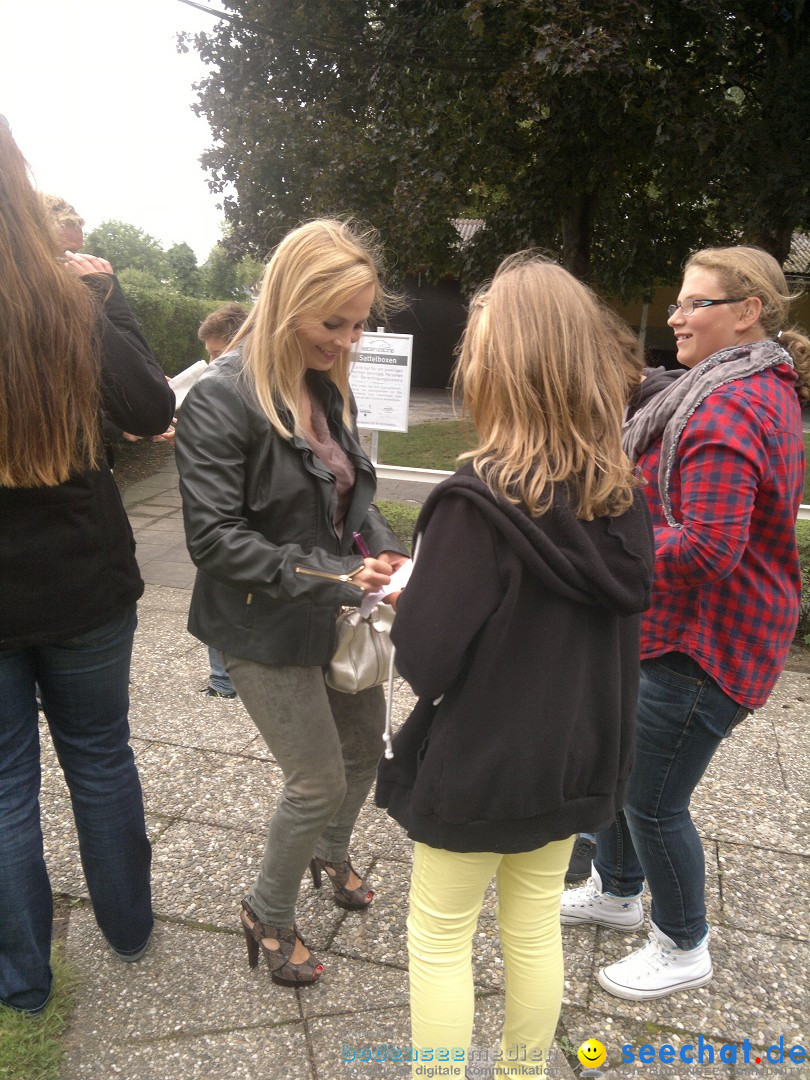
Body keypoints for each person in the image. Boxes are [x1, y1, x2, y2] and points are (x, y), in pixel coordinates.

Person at [375, 252, 655, 1072]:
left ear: (496, 370)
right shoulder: (621, 495)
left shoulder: (476, 504)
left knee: (439, 936)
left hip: (479, 764)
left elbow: (428, 661)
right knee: (532, 925)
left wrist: (410, 599)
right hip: (574, 755)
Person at [561, 245, 810, 1000]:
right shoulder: (732, 385)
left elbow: (707, 545)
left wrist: (607, 540)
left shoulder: (730, 404)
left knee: (651, 798)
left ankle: (682, 942)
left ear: (746, 313)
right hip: (677, 629)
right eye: (677, 301)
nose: (675, 316)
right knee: (619, 767)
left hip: (705, 645)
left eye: (693, 303)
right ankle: (617, 889)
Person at [174, 218, 409, 987]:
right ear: (284, 304)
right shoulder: (221, 398)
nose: (347, 340)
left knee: (362, 749)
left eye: (360, 322)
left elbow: (349, 491)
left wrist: (380, 548)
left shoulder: (318, 383)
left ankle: (330, 854)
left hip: (333, 611)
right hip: (259, 622)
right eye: (332, 322)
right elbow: (213, 540)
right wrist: (335, 574)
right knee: (315, 779)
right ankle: (266, 914)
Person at [0, 116, 176, 1014]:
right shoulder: (67, 299)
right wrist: (111, 302)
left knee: (2, 786)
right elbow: (151, 407)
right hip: (81, 573)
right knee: (101, 756)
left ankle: (22, 981)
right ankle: (129, 927)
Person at [195, 302, 249, 699]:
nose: (211, 363)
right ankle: (223, 677)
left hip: (238, 522)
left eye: (216, 353)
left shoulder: (233, 387)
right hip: (230, 520)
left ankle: (223, 679)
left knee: (221, 580)